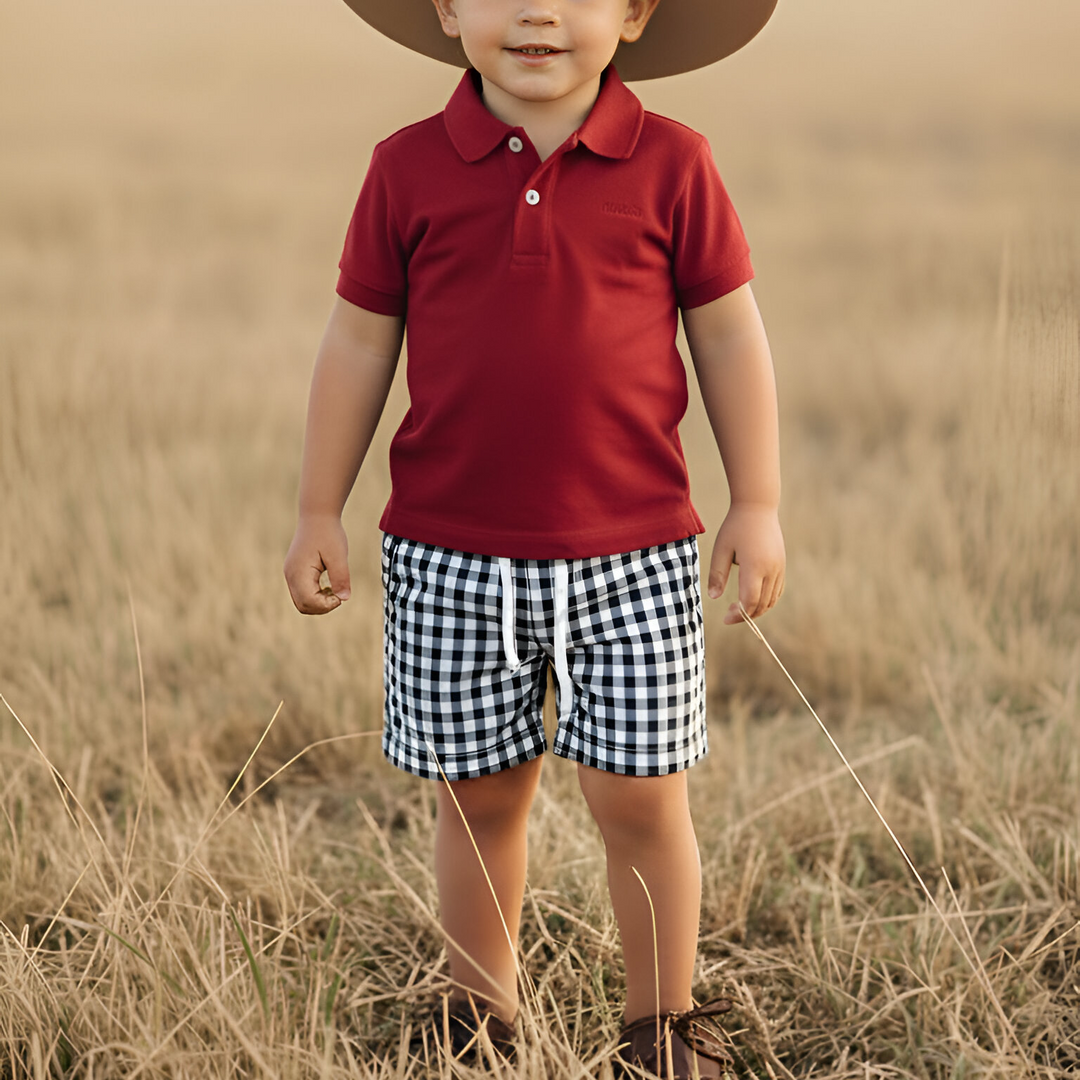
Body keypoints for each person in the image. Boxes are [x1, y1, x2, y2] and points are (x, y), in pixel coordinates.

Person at [283, 0, 784, 1075]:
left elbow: (731, 335)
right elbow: (361, 342)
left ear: (639, 12)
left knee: (642, 799)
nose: (539, 10)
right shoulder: (407, 167)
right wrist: (319, 506)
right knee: (478, 800)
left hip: (635, 553)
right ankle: (479, 1018)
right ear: (450, 8)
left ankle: (662, 1030)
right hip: (449, 555)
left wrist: (758, 500)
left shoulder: (676, 164)